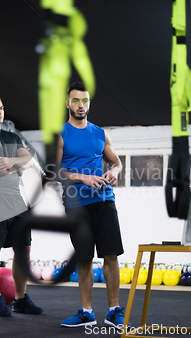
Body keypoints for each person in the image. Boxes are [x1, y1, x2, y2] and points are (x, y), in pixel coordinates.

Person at [57, 82, 125, 328]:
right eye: (75, 101)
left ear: (88, 103)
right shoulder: (60, 134)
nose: (80, 105)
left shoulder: (99, 133)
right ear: (68, 104)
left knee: (111, 254)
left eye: (84, 101)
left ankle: (114, 310)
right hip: (76, 204)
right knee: (84, 258)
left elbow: (115, 161)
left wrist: (115, 171)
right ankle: (87, 312)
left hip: (104, 199)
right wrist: (82, 177)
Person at [0, 92, 42, 317]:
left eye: (1, 107)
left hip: (15, 197)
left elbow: (28, 161)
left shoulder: (11, 136)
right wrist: (15, 163)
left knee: (24, 247)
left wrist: (11, 162)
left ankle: (20, 298)